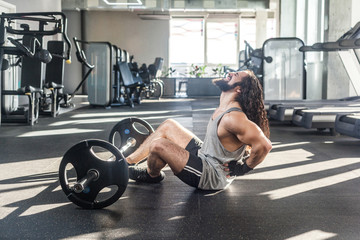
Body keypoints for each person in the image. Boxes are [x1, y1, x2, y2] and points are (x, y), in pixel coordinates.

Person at [126, 70, 272, 190]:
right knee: (168, 125)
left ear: (239, 89)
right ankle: (126, 163)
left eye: (235, 75)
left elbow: (265, 145)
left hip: (211, 175)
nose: (230, 73)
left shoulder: (233, 117)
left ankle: (152, 175)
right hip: (205, 155)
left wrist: (243, 168)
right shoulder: (225, 106)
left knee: (158, 144)